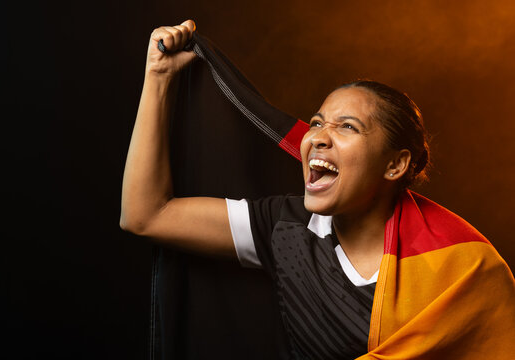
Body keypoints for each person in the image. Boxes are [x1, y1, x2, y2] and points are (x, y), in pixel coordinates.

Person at [120, 20, 515, 359]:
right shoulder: (286, 227)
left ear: (396, 164)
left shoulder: (464, 265)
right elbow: (146, 215)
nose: (319, 138)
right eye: (316, 122)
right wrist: (158, 79)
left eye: (347, 127)